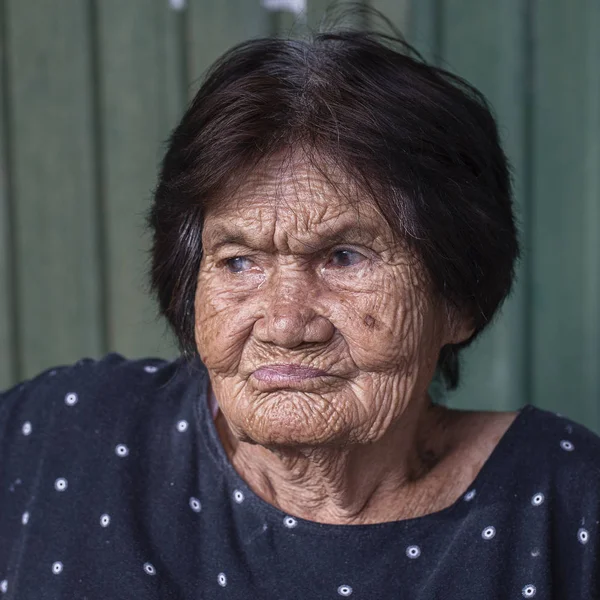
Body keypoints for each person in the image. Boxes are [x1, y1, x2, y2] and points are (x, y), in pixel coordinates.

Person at [1, 18, 598, 600]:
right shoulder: (66, 434)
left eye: (344, 257)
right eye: (239, 262)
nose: (286, 324)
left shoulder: (570, 503)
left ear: (458, 299)